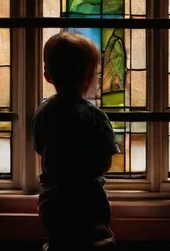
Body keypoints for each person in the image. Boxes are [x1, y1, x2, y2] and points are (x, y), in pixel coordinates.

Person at [32, 31, 120, 250]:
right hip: (88, 202)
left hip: (52, 203)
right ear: (89, 76)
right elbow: (105, 161)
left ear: (47, 75)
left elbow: (39, 147)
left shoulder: (44, 112)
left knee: (60, 241)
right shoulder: (94, 116)